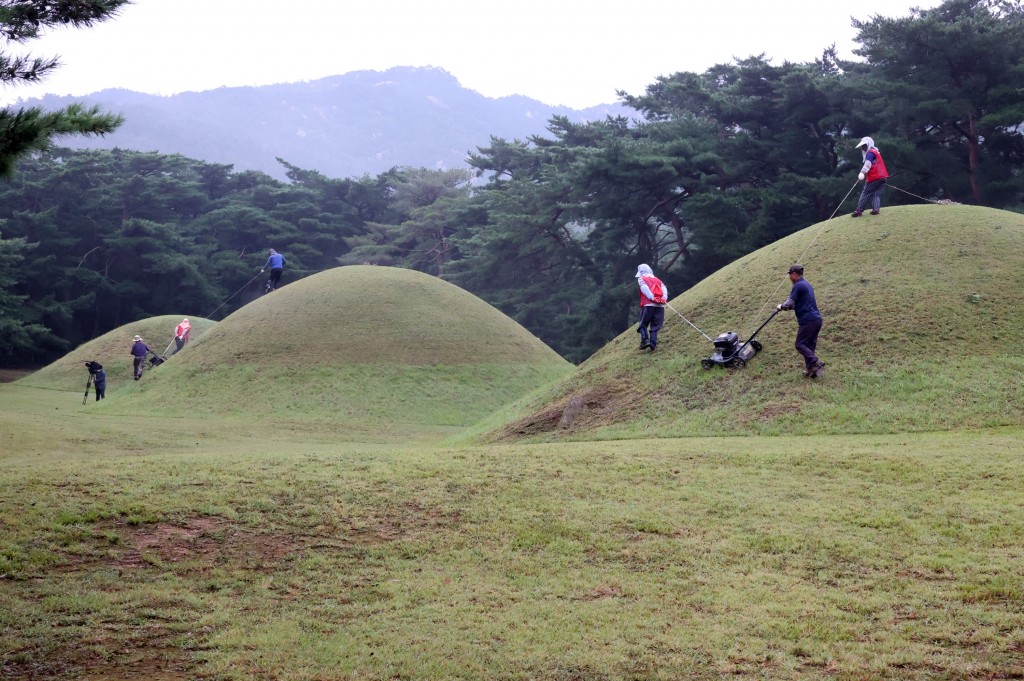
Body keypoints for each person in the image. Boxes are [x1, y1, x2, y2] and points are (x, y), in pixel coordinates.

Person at [776, 264, 824, 378]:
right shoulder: (807, 285)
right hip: (816, 319)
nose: (789, 278)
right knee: (809, 346)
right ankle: (811, 370)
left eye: (790, 275)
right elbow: (799, 304)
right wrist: (786, 307)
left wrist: (780, 306)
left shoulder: (798, 285)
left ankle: (817, 362)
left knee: (800, 344)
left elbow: (789, 303)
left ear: (794, 274)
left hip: (808, 320)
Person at [852, 136, 889, 217]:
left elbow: (868, 163)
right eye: (862, 146)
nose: (862, 147)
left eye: (864, 145)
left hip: (874, 178)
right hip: (883, 177)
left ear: (868, 144)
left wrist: (862, 172)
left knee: (865, 193)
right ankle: (876, 209)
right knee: (876, 194)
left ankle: (859, 211)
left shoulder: (870, 153)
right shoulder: (876, 152)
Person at [635, 263, 668, 352]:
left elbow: (644, 288)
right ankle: (653, 344)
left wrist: (651, 297)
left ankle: (645, 341)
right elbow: (664, 289)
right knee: (655, 325)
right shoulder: (658, 280)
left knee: (643, 324)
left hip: (648, 305)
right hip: (660, 306)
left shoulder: (641, 279)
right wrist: (663, 299)